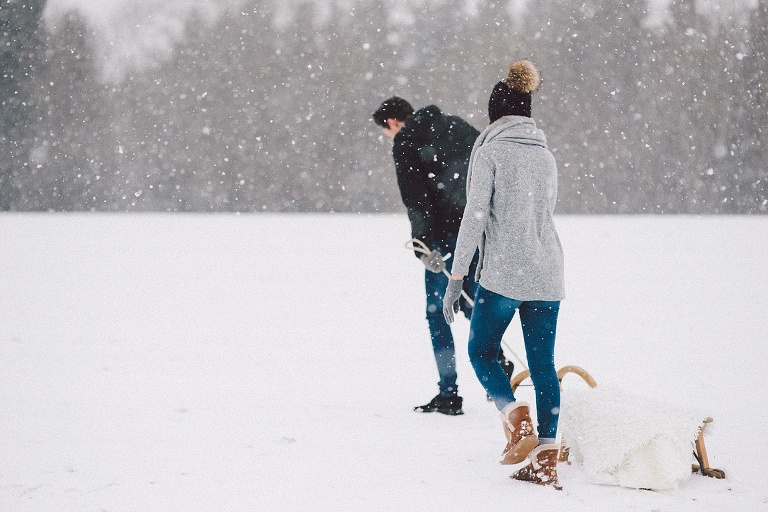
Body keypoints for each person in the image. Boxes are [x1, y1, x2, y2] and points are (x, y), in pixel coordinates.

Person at [443, 60, 566, 488]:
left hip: (505, 275)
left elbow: (473, 219)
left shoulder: (490, 152)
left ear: (495, 115)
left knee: (481, 350)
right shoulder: (546, 156)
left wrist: (456, 278)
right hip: (548, 273)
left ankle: (515, 416)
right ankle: (547, 455)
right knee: (543, 364)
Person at [373, 97, 515, 416]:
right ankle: (499, 364)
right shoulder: (457, 125)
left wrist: (423, 244)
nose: (389, 137)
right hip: (477, 227)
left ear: (394, 123)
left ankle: (449, 393)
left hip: (445, 236)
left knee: (439, 311)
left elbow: (416, 199)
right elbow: (488, 165)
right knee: (471, 301)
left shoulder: (406, 143)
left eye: (386, 131)